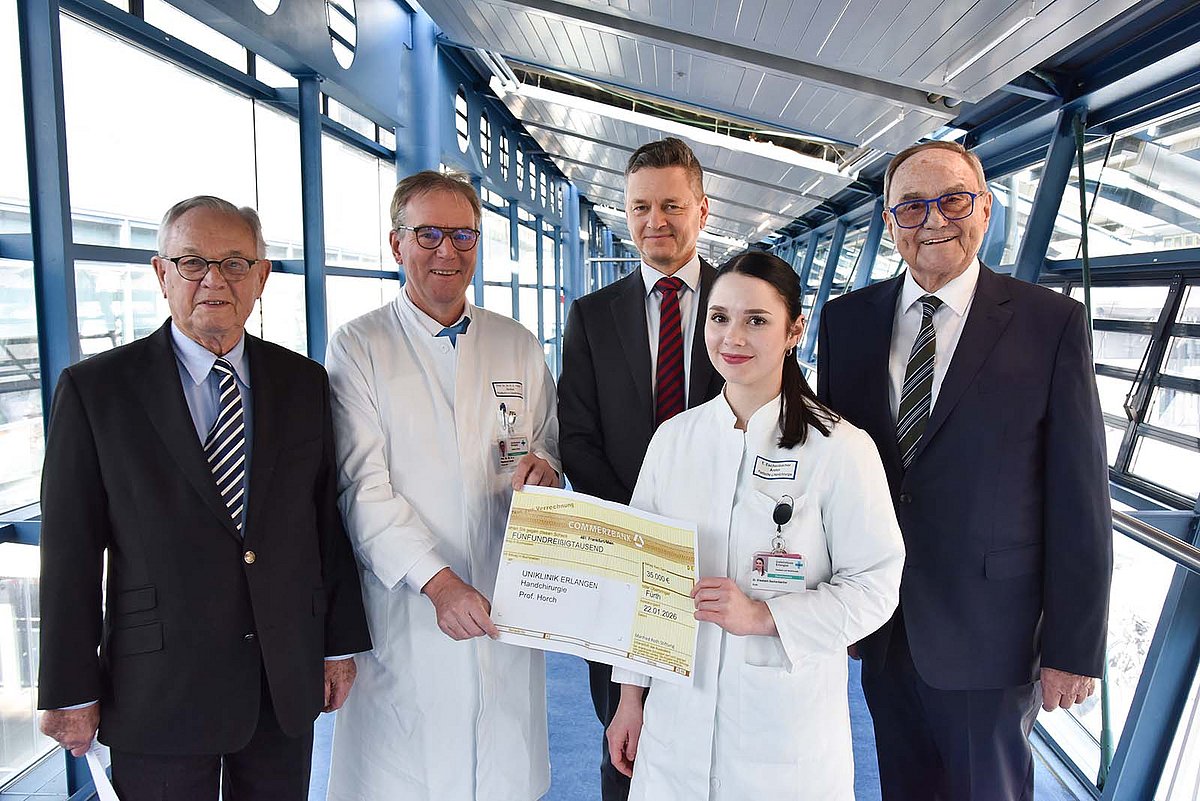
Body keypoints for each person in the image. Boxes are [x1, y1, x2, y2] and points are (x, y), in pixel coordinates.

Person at [37, 196, 371, 801]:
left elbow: (325, 524)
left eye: (234, 263)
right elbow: (69, 553)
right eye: (192, 262)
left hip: (280, 675)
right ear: (161, 273)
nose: (214, 279)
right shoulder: (97, 391)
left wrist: (337, 646)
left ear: (261, 277)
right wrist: (69, 688)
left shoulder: (302, 382)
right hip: (157, 684)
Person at [817, 140, 1112, 801]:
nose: (933, 220)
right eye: (912, 206)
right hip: (883, 624)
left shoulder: (1049, 323)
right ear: (889, 221)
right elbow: (831, 477)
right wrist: (833, 599)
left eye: (953, 201)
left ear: (985, 209)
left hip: (994, 633)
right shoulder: (847, 322)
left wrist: (1073, 647)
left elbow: (1080, 497)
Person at [606, 251, 904, 800]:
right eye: (719, 317)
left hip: (782, 733)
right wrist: (629, 698)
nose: (733, 337)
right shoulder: (674, 440)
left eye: (757, 320)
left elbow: (876, 587)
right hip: (677, 722)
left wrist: (764, 617)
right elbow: (641, 578)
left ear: (794, 331)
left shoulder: (840, 448)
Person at [324, 170, 561, 801]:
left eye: (462, 235)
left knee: (502, 767)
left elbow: (547, 442)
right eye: (427, 234)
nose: (446, 251)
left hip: (507, 593)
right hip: (410, 605)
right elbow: (360, 488)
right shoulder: (360, 345)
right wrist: (437, 580)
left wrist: (546, 467)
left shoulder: (516, 343)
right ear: (396, 244)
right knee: (413, 771)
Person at [558, 136, 725, 801]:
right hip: (624, 562)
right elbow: (578, 438)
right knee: (624, 743)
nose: (655, 221)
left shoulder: (745, 303)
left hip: (722, 557)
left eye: (671, 206)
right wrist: (644, 530)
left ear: (702, 210)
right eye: (640, 207)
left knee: (717, 740)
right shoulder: (591, 316)